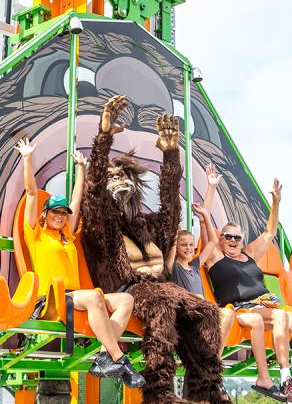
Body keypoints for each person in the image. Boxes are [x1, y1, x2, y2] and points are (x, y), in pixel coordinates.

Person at [79, 96, 226, 404]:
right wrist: (103, 136)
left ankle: (207, 391)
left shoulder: (148, 226)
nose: (119, 181)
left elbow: (172, 207)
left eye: (124, 176)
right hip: (127, 290)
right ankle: (158, 394)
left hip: (161, 288)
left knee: (206, 311)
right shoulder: (103, 228)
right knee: (162, 303)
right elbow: (92, 196)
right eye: (113, 177)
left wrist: (171, 154)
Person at [200, 170, 292, 404]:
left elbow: (270, 233)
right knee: (280, 317)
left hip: (267, 306)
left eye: (237, 237)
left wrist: (276, 203)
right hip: (241, 308)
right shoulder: (216, 256)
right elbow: (204, 219)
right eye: (228, 237)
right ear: (221, 239)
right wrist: (211, 187)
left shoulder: (248, 255)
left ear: (242, 240)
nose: (233, 241)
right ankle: (286, 380)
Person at [14, 137, 145, 388]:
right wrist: (27, 157)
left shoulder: (67, 237)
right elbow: (31, 192)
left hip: (75, 297)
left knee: (126, 300)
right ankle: (119, 359)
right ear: (44, 214)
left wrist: (81, 169)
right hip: (50, 297)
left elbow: (75, 202)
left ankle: (107, 357)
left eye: (63, 214)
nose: (60, 216)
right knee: (96, 297)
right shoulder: (36, 233)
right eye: (55, 212)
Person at [167, 164, 236, 354]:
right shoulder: (173, 266)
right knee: (206, 311)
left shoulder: (195, 264)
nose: (189, 248)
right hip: (188, 311)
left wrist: (206, 211)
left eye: (191, 245)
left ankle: (215, 359)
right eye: (184, 245)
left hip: (205, 310)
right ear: (177, 247)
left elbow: (213, 241)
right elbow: (174, 239)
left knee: (228, 313)